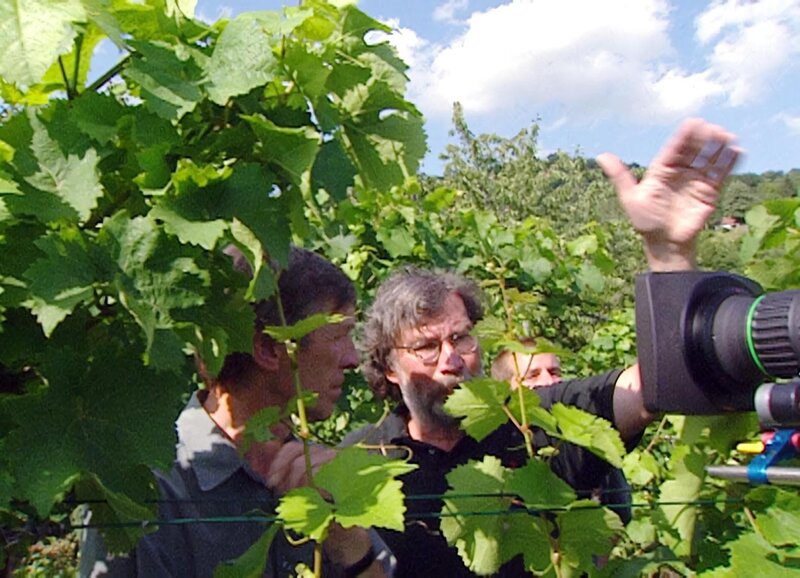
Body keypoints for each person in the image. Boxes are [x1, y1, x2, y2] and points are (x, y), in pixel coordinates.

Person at [343, 118, 741, 576]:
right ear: (389, 366)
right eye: (426, 348)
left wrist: (668, 254)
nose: (451, 359)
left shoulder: (534, 422)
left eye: (461, 337)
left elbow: (656, 383)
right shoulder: (361, 461)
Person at [80, 246, 389, 578]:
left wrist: (352, 546)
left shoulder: (317, 472)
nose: (353, 359)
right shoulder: (142, 493)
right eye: (339, 336)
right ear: (269, 348)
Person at [491, 338, 633, 524]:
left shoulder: (584, 439)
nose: (549, 382)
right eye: (532, 375)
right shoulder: (495, 446)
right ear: (505, 389)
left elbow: (617, 517)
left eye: (554, 372)